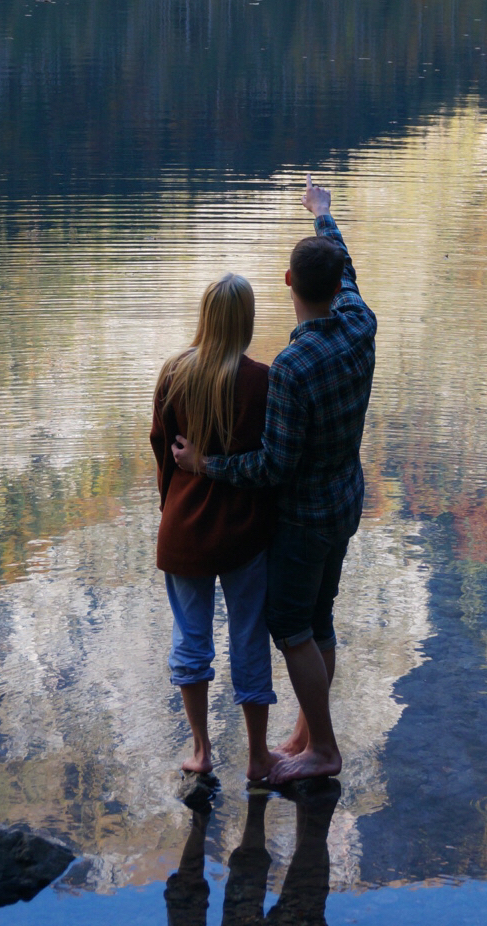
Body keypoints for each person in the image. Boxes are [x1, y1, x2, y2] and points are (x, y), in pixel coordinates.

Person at [173, 176, 376, 784]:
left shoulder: (291, 366)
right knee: (321, 621)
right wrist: (324, 214)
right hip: (345, 501)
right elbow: (345, 266)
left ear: (288, 284)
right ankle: (305, 733)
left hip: (306, 518)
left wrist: (205, 466)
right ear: (338, 285)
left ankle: (324, 751)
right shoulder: (360, 319)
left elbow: (273, 466)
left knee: (290, 629)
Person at [151, 273, 278, 783]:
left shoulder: (173, 375)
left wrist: (174, 511)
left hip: (184, 531)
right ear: (246, 321)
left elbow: (164, 454)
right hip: (245, 534)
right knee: (249, 638)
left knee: (191, 638)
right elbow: (271, 463)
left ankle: (201, 750)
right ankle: (257, 756)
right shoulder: (261, 380)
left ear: (204, 317)